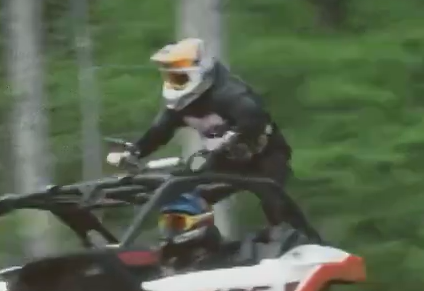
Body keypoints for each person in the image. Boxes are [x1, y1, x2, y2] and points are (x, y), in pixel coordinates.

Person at [106, 37, 294, 223]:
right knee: (185, 196)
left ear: (199, 74)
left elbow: (254, 116)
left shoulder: (229, 94)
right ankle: (194, 245)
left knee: (275, 204)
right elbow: (159, 132)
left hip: (265, 155)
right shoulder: (180, 106)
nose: (173, 84)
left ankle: (299, 242)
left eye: (179, 78)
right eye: (170, 78)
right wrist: (136, 152)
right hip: (223, 160)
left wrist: (237, 138)